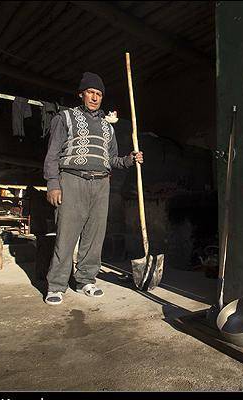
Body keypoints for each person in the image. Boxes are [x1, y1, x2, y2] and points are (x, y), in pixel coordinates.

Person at [43, 72, 143, 305]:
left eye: (99, 94)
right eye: (90, 92)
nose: (95, 97)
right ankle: (56, 285)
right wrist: (52, 184)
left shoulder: (108, 128)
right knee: (66, 236)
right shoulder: (64, 118)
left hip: (101, 183)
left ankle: (86, 280)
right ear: (81, 94)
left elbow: (112, 160)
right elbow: (52, 155)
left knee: (95, 236)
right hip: (72, 180)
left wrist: (130, 159)